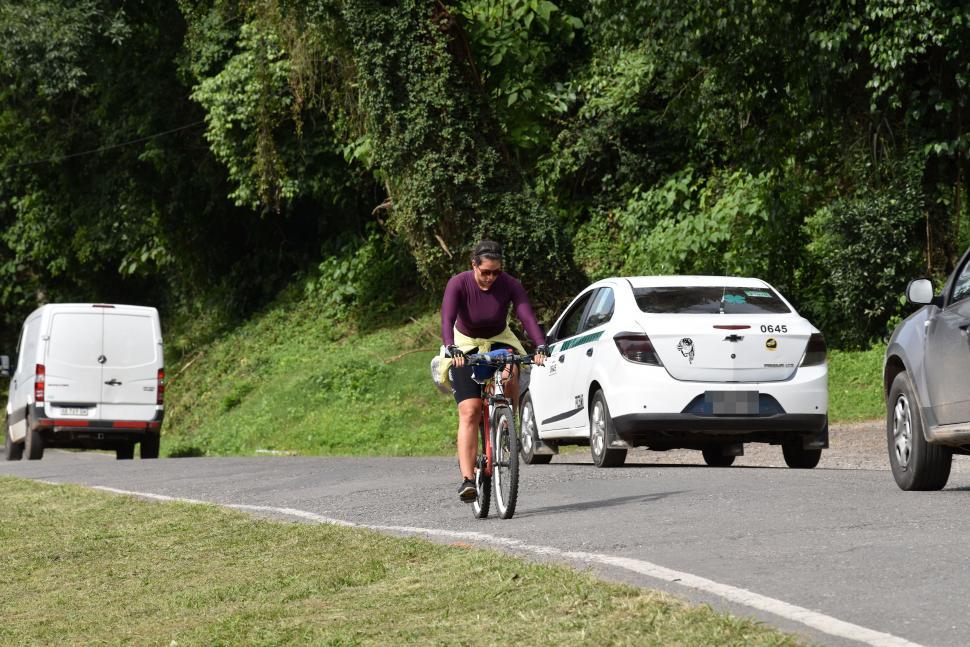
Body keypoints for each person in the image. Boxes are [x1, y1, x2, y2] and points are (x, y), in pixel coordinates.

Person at [440, 240, 547, 502]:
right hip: (465, 345)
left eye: (495, 272)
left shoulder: (509, 284)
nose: (490, 278)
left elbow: (526, 316)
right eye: (485, 272)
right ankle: (467, 479)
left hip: (500, 339)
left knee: (512, 370)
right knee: (470, 410)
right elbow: (447, 318)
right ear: (473, 265)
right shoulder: (459, 283)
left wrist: (541, 344)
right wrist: (450, 347)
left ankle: (507, 424)